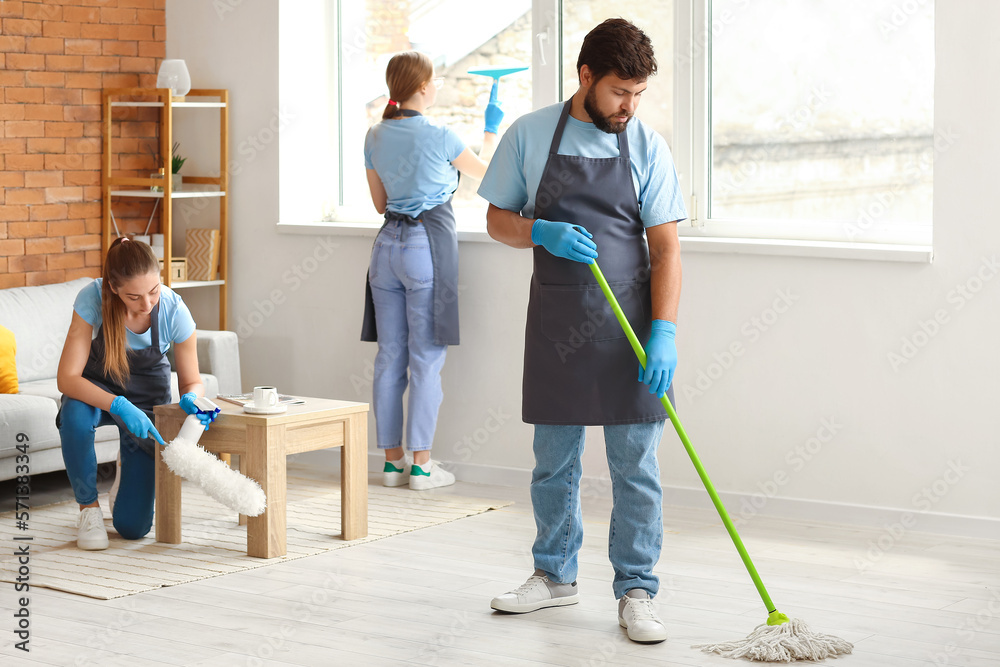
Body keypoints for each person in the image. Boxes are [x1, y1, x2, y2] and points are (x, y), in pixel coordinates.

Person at [477, 19, 686, 643]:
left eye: (640, 94)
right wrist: (537, 231)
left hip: (630, 334)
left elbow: (667, 250)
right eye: (621, 91)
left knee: (636, 468)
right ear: (585, 76)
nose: (630, 106)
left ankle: (638, 589)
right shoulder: (530, 134)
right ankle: (553, 575)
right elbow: (495, 219)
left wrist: (665, 332)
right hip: (558, 324)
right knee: (553, 464)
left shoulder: (646, 145)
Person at [361, 51, 503, 490]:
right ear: (422, 87)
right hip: (425, 249)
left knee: (389, 358)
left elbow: (381, 205)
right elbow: (489, 175)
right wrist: (491, 127)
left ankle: (391, 464)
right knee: (425, 359)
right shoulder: (440, 135)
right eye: (435, 80)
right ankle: (422, 467)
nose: (438, 85)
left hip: (385, 251)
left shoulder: (374, 134)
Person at [56, 237, 217, 550]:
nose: (147, 305)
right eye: (134, 296)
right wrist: (117, 404)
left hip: (147, 400)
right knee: (74, 415)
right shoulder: (92, 299)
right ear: (114, 288)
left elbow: (192, 381)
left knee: (133, 528)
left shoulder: (173, 310)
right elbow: (67, 378)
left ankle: (124, 469)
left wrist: (193, 398)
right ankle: (88, 509)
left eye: (154, 291)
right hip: (96, 392)